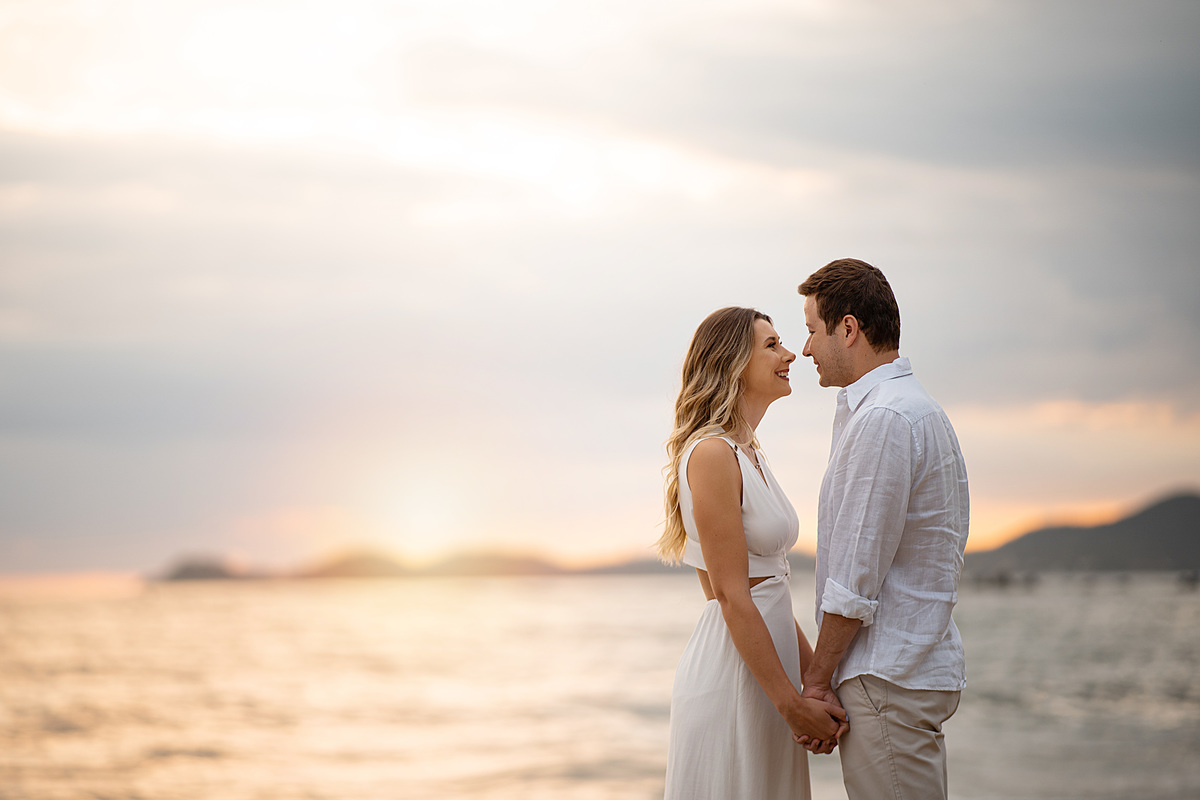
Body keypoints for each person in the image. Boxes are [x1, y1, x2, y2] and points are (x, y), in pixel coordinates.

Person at [794, 258, 970, 800]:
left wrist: (817, 681)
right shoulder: (915, 409)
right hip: (904, 676)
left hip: (885, 680)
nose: (805, 349)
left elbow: (854, 581)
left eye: (811, 330)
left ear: (848, 329)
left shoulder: (885, 418)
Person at [659, 306, 847, 800]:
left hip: (768, 672)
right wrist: (792, 705)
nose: (790, 354)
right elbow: (729, 595)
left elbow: (772, 591)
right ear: (734, 362)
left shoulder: (751, 454)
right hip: (733, 678)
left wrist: (816, 682)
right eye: (772, 345)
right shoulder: (711, 454)